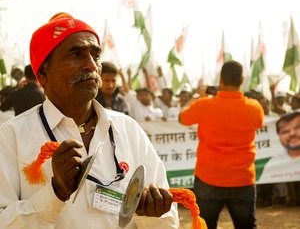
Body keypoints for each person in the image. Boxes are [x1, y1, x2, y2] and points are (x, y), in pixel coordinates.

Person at [0, 13, 179, 228]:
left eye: (95, 55)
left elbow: (168, 222)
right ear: (43, 71)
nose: (91, 65)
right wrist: (55, 193)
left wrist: (151, 214)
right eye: (75, 55)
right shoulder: (12, 137)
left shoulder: (127, 129)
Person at [179, 61, 264, 229]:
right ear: (241, 80)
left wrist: (196, 98)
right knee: (247, 226)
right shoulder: (254, 108)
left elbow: (182, 118)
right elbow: (259, 123)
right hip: (242, 178)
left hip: (209, 177)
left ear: (220, 80)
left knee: (205, 225)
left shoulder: (204, 105)